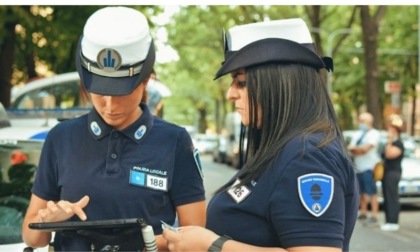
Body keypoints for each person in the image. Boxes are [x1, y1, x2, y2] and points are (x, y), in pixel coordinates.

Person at [163, 18, 359, 252]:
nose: (230, 94)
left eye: (242, 82)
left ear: (279, 83)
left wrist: (211, 245)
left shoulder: (307, 157)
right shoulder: (284, 149)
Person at [22, 6, 206, 251]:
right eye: (99, 92)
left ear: (145, 80)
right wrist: (48, 221)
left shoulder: (175, 141)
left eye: (121, 92)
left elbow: (197, 238)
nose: (109, 106)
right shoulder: (60, 138)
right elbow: (32, 238)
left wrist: (138, 244)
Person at [348, 112, 381, 227]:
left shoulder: (374, 134)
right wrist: (358, 150)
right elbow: (350, 149)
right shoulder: (357, 134)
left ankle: (374, 215)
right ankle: (363, 212)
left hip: (369, 167)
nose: (360, 123)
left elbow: (365, 149)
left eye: (362, 121)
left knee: (372, 192)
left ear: (369, 122)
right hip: (358, 168)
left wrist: (356, 150)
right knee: (361, 192)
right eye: (360, 120)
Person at [380, 114, 404, 231]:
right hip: (386, 172)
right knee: (386, 196)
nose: (388, 132)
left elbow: (390, 155)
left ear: (395, 132)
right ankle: (388, 220)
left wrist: (389, 141)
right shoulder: (388, 143)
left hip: (393, 173)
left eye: (390, 131)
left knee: (392, 196)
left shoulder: (398, 143)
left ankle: (394, 221)